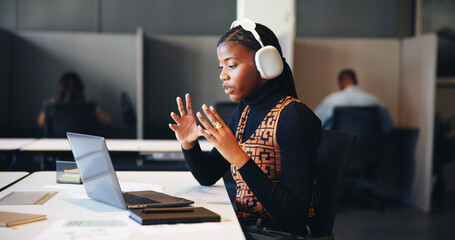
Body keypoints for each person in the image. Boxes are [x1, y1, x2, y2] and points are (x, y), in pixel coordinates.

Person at [169, 19, 321, 239]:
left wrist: (239, 158)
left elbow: (295, 216)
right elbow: (208, 175)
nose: (223, 75)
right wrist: (188, 143)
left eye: (231, 65)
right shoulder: (243, 111)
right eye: (221, 67)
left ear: (264, 65)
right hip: (245, 226)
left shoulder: (292, 117)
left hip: (278, 233)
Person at [314, 69, 393, 133]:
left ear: (340, 83)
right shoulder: (375, 102)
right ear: (356, 81)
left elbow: (315, 123)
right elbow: (388, 127)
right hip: (369, 149)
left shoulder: (332, 101)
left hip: (339, 149)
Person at [37, 71, 111, 127]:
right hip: (58, 141)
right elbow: (41, 122)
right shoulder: (52, 103)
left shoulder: (87, 104)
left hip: (81, 141)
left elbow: (107, 121)